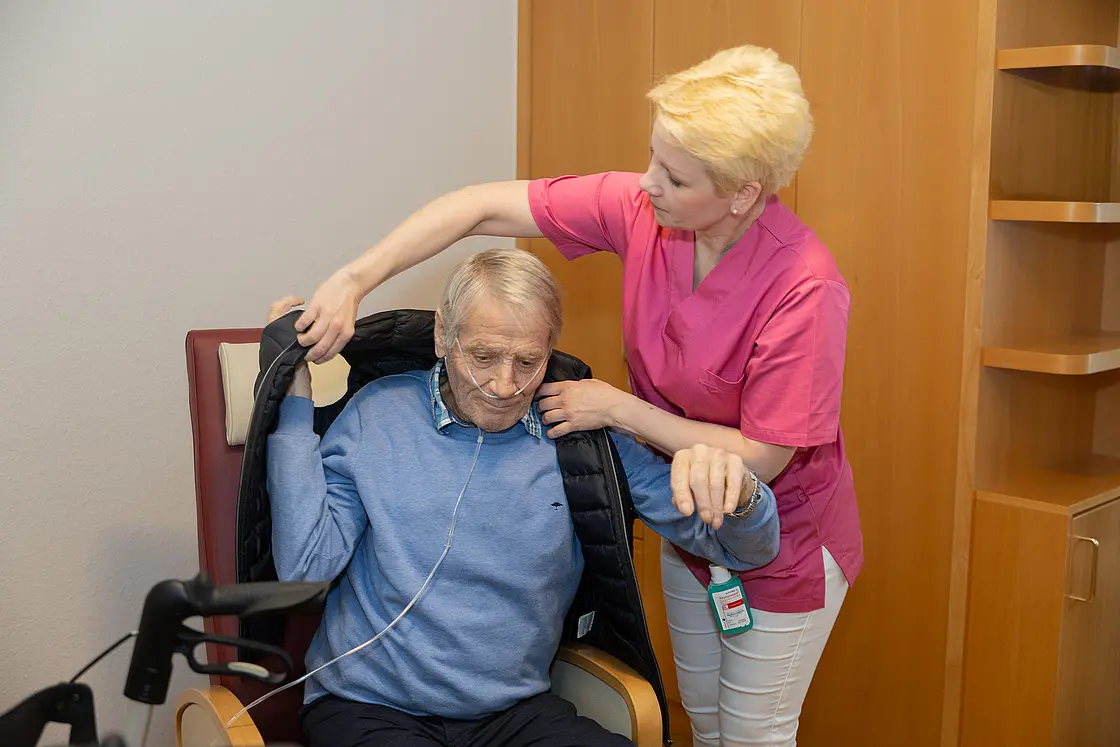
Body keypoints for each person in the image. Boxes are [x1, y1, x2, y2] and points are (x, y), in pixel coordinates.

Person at [291, 44, 861, 746]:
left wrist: (617, 409)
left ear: (741, 192)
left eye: (673, 176)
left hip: (771, 518)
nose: (646, 183)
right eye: (652, 156)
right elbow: (478, 207)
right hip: (683, 500)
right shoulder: (383, 417)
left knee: (751, 733)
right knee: (705, 722)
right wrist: (356, 276)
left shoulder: (804, 288)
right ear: (444, 337)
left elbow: (763, 461)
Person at [266, 248, 781, 747]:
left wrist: (742, 497)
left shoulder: (579, 437)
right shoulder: (379, 413)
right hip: (369, 706)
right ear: (444, 336)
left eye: (528, 361)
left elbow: (744, 550)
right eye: (485, 357)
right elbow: (306, 567)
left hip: (511, 715)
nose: (505, 385)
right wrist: (293, 404)